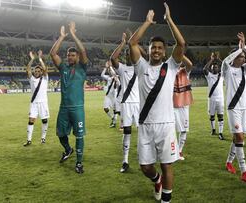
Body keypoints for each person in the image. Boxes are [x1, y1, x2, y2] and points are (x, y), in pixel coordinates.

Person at [128, 3, 185, 202]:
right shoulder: (141, 66)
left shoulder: (170, 67)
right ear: (149, 50)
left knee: (167, 165)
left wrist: (169, 20)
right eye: (154, 47)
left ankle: (166, 200)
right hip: (145, 126)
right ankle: (156, 180)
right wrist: (147, 22)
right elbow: (132, 44)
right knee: (145, 167)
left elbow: (181, 44)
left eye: (160, 48)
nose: (157, 50)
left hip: (166, 125)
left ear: (164, 51)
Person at [50, 22, 88, 174]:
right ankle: (68, 149)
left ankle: (79, 163)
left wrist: (73, 35)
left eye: (72, 55)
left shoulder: (82, 67)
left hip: (77, 108)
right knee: (60, 134)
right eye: (68, 55)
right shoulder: (63, 67)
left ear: (77, 56)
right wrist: (61, 37)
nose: (70, 57)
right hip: (64, 108)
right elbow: (53, 54)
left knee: (79, 135)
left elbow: (84, 51)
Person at [222, 32, 246, 184]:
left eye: (244, 57)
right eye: (241, 56)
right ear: (234, 57)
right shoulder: (227, 70)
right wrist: (239, 49)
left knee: (238, 137)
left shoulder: (245, 69)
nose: (243, 58)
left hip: (245, 107)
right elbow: (225, 61)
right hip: (233, 108)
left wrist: (245, 47)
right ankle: (245, 171)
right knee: (239, 137)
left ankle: (229, 162)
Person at [110, 32, 140, 173]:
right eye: (127, 54)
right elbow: (113, 58)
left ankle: (144, 159)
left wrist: (134, 43)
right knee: (127, 131)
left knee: (143, 132)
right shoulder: (122, 69)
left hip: (140, 104)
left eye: (130, 54)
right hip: (127, 104)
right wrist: (123, 43)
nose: (129, 56)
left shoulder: (140, 67)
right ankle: (125, 161)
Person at [23, 50, 49, 146]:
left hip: (43, 103)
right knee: (31, 120)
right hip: (34, 103)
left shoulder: (45, 78)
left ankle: (43, 138)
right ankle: (29, 140)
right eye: (36, 71)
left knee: (44, 120)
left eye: (39, 71)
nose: (37, 72)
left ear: (41, 72)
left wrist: (40, 59)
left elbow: (45, 69)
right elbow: (28, 69)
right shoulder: (32, 79)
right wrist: (32, 59)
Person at [173, 55, 193, 160]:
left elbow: (189, 64)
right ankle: (173, 150)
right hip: (172, 105)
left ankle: (179, 151)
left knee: (184, 129)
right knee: (171, 129)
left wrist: (180, 54)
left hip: (184, 105)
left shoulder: (185, 72)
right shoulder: (170, 72)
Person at [203, 52, 225, 140]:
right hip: (211, 99)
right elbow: (204, 69)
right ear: (211, 69)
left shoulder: (221, 76)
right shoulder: (209, 76)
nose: (214, 68)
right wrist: (212, 59)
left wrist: (218, 59)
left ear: (218, 68)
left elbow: (226, 65)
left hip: (220, 99)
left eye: (216, 67)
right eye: (213, 67)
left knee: (220, 116)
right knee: (212, 116)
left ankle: (220, 133)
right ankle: (213, 129)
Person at [101, 61, 120, 128]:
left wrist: (110, 67)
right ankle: (112, 118)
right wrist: (106, 68)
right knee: (105, 108)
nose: (109, 71)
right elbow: (102, 75)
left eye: (110, 70)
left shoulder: (117, 77)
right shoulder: (108, 78)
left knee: (115, 110)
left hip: (114, 96)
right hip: (108, 96)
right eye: (109, 71)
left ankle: (114, 123)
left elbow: (116, 77)